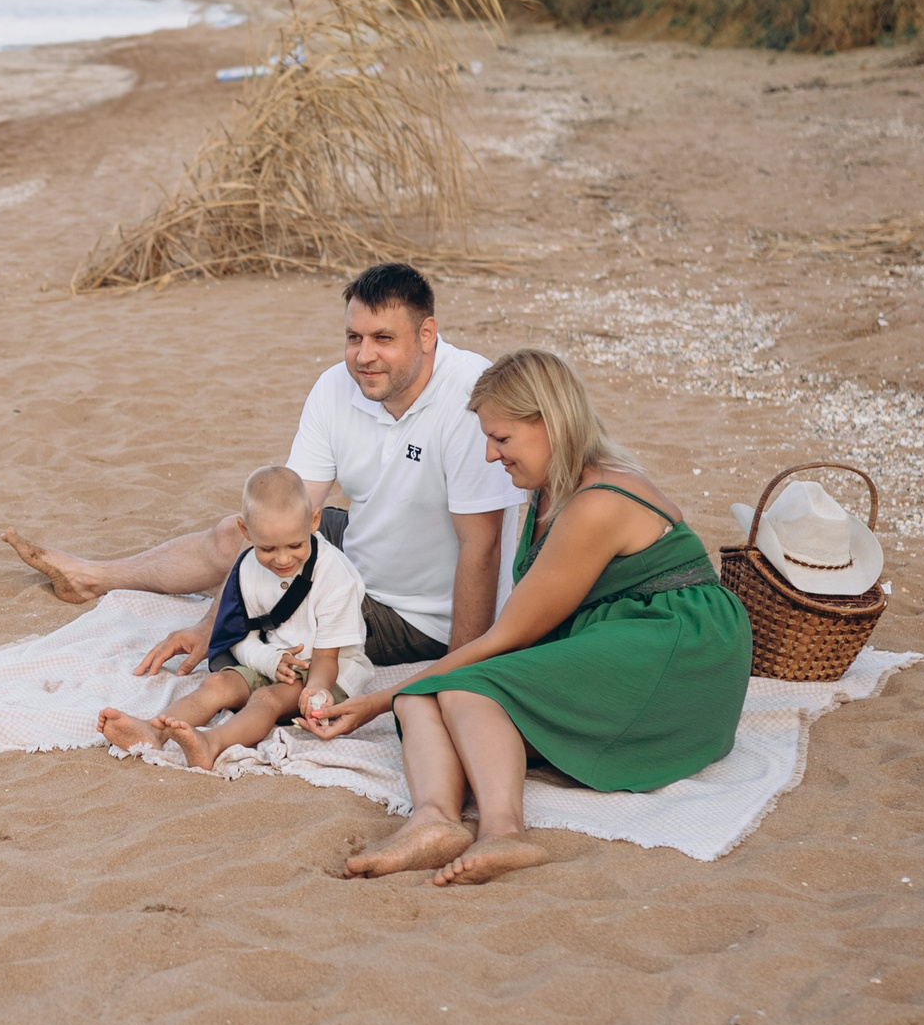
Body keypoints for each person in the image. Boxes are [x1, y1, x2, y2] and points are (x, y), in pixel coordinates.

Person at [302, 348, 752, 886]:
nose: (491, 456)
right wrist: (396, 695)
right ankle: (435, 820)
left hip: (677, 648)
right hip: (618, 633)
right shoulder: (546, 492)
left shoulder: (597, 503)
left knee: (466, 689)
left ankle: (504, 833)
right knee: (421, 693)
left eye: (502, 438)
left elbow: (513, 633)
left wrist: (372, 701)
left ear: (550, 424)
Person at [3, 263, 525, 677]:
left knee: (265, 637)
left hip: (414, 612)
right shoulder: (335, 387)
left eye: (383, 339)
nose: (363, 356)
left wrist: (459, 672)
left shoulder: (469, 396)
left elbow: (482, 548)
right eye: (353, 338)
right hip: (367, 545)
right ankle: (93, 577)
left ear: (427, 334)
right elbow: (288, 509)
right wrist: (210, 621)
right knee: (247, 530)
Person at [97, 467, 374, 770]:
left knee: (266, 699)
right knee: (217, 683)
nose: (283, 559)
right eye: (267, 548)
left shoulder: (336, 575)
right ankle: (154, 730)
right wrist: (270, 660)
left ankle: (212, 742)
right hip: (273, 660)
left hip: (329, 674)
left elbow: (327, 658)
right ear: (245, 531)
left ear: (314, 521)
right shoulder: (246, 569)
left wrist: (314, 693)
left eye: (295, 545)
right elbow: (241, 639)